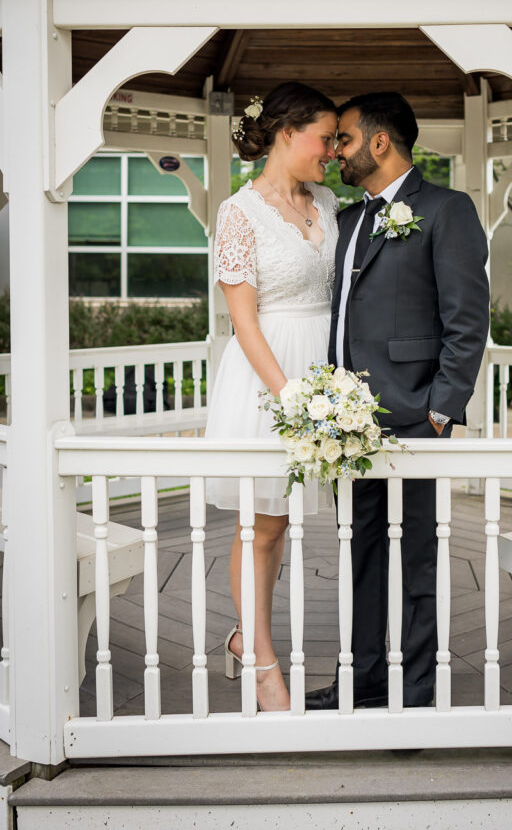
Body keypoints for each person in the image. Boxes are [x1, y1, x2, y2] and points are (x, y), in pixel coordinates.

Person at [305, 91, 489, 711]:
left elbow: (467, 321)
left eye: (346, 141)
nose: (336, 152)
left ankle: (414, 694)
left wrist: (440, 409)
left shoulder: (446, 210)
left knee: (417, 562)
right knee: (358, 557)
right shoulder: (350, 220)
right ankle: (360, 683)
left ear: (380, 142)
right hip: (344, 425)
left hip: (415, 417)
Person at [204, 82, 338, 712]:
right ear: (287, 133)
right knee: (256, 524)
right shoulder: (239, 212)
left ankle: (241, 638)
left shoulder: (330, 203)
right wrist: (290, 396)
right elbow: (244, 322)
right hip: (267, 378)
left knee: (280, 523)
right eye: (326, 136)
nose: (334, 149)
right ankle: (260, 659)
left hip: (321, 371)